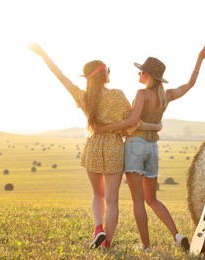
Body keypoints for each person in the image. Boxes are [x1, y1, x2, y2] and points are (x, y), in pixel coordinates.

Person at [28, 43, 161, 249]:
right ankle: (107, 242)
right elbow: (132, 123)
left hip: (93, 147)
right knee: (113, 200)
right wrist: (151, 125)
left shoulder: (85, 97)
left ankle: (98, 228)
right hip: (114, 148)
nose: (110, 73)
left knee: (97, 194)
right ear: (103, 74)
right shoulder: (117, 95)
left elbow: (60, 76)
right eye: (108, 70)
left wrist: (43, 54)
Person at [94, 43, 205, 251]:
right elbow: (190, 84)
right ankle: (177, 235)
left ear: (148, 75)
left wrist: (109, 127)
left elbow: (131, 121)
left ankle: (146, 246)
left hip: (135, 147)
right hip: (152, 148)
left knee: (138, 201)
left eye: (141, 71)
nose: (138, 74)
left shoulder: (142, 94)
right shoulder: (166, 96)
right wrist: (200, 59)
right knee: (152, 198)